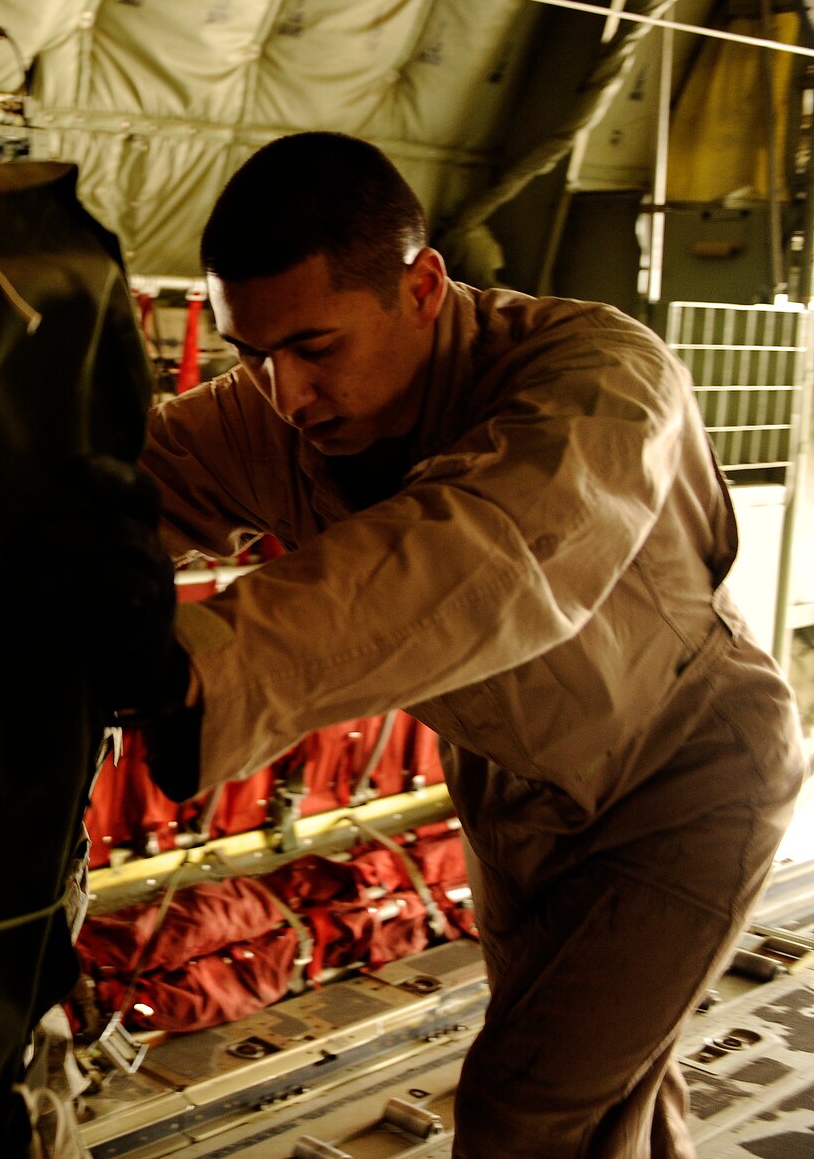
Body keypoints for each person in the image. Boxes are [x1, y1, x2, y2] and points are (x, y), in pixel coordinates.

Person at [133, 132, 804, 1157]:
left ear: (421, 287)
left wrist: (201, 666)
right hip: (515, 793)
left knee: (525, 1109)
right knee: (607, 1092)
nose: (285, 397)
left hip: (682, 779)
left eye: (314, 349)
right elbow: (133, 488)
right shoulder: (278, 411)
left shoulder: (596, 377)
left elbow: (481, 549)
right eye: (249, 356)